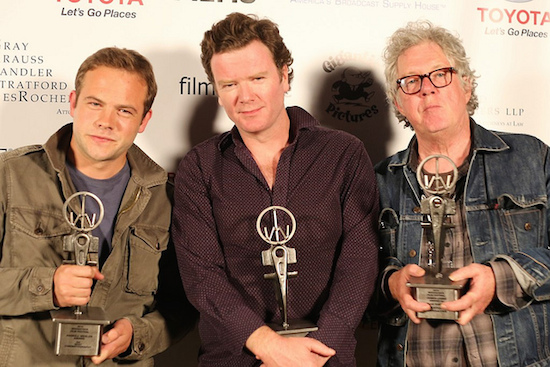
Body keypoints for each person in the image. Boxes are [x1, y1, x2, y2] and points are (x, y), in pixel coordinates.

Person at [172, 12, 379, 367]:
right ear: (218, 92)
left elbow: (359, 261)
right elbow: (203, 276)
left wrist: (316, 350)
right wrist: (270, 347)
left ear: (284, 76)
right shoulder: (199, 167)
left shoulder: (343, 154)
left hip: (325, 358)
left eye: (257, 78)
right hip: (234, 358)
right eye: (230, 84)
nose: (245, 96)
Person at [0, 47, 195, 366]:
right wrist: (45, 286)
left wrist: (139, 333)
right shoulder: (8, 176)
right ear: (73, 103)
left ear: (144, 120)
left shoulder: (169, 200)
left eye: (124, 111)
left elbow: (184, 305)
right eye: (95, 104)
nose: (106, 122)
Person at [374, 20, 550, 366]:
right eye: (411, 82)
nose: (427, 89)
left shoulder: (533, 158)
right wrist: (391, 283)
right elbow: (350, 282)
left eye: (440, 74)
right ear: (398, 102)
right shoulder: (379, 181)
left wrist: (501, 278)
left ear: (466, 85)